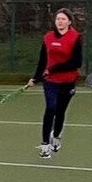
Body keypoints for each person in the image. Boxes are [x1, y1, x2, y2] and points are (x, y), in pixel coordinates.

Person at [28, 8, 83, 158]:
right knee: (50, 108)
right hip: (51, 81)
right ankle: (45, 144)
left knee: (60, 112)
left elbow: (77, 62)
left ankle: (56, 136)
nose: (60, 21)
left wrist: (56, 68)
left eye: (63, 19)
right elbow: (42, 60)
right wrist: (36, 77)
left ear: (69, 22)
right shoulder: (48, 37)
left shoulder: (76, 37)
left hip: (68, 81)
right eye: (58, 18)